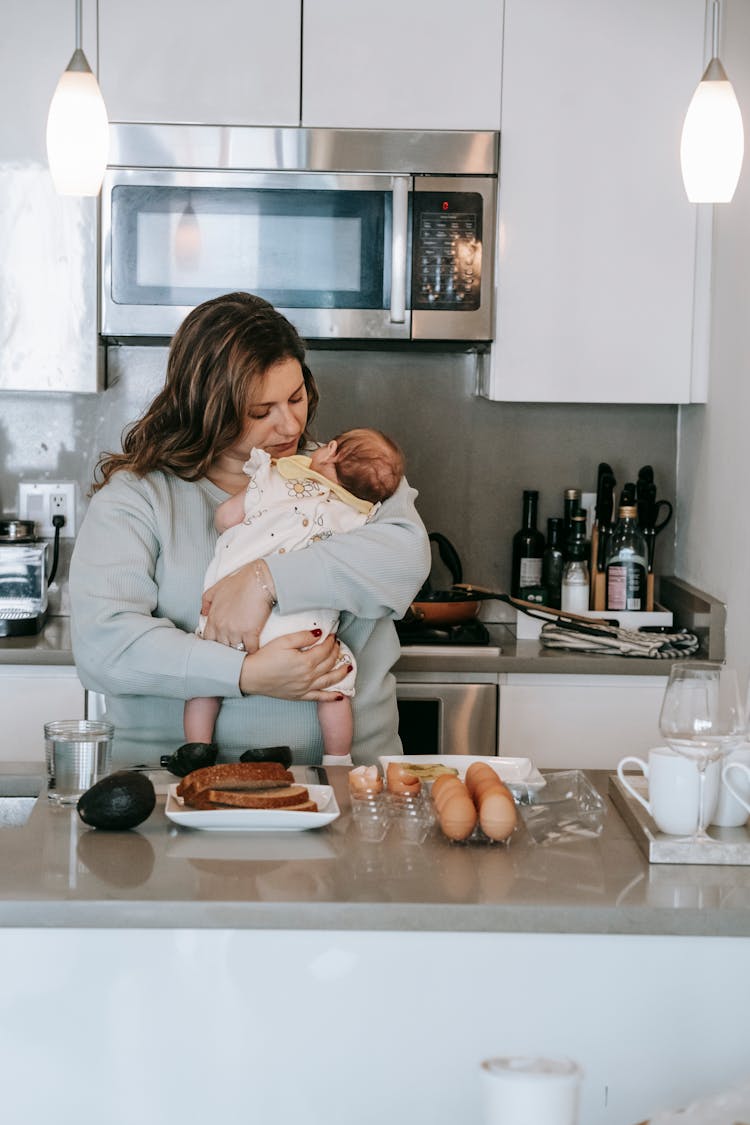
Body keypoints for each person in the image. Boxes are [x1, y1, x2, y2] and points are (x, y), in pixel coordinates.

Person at [69, 292, 430, 768]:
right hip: (167, 791)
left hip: (348, 788)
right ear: (207, 409)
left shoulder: (348, 478)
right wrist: (246, 674)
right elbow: (104, 646)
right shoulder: (138, 498)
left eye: (296, 397)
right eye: (261, 412)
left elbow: (405, 558)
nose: (290, 423)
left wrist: (265, 579)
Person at [184, 427, 406, 765]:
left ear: (329, 450)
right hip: (306, 633)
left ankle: (196, 749)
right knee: (335, 688)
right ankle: (338, 759)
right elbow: (383, 559)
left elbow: (226, 517)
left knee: (204, 683)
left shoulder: (274, 479)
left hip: (227, 621)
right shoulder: (359, 517)